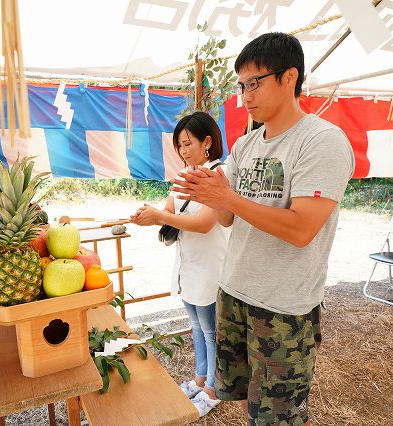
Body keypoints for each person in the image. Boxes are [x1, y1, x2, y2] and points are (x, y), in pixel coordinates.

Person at [170, 32, 354, 425]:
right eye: (241, 86)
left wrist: (228, 197)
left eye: (254, 82)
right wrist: (211, 195)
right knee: (246, 400)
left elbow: (302, 228)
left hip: (284, 305)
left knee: (277, 415)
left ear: (290, 77)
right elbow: (227, 218)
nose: (245, 95)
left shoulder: (321, 141)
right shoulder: (245, 145)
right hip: (235, 291)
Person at [130, 111, 228, 417]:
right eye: (179, 145)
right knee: (197, 327)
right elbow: (170, 210)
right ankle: (200, 379)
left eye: (187, 143)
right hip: (189, 267)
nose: (183, 151)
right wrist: (148, 215)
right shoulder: (185, 175)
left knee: (212, 332)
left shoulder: (218, 176)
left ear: (208, 142)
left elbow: (204, 224)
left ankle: (213, 390)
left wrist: (160, 216)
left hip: (211, 267)